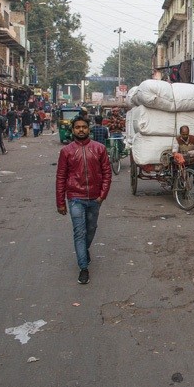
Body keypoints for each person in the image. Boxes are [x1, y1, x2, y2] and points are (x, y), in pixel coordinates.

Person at [56, 117, 112, 284]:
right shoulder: (66, 151)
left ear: (89, 129)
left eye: (84, 127)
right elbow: (61, 177)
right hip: (75, 198)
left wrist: (102, 195)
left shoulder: (99, 149)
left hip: (95, 198)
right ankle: (83, 268)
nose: (81, 130)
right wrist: (60, 201)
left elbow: (107, 174)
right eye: (78, 127)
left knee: (91, 228)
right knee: (79, 232)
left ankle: (84, 250)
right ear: (73, 130)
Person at [172, 125, 194, 203]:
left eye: (187, 134)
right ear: (180, 133)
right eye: (183, 134)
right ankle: (183, 193)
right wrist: (178, 155)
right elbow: (174, 151)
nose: (185, 136)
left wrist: (188, 153)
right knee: (183, 178)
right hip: (183, 163)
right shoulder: (177, 140)